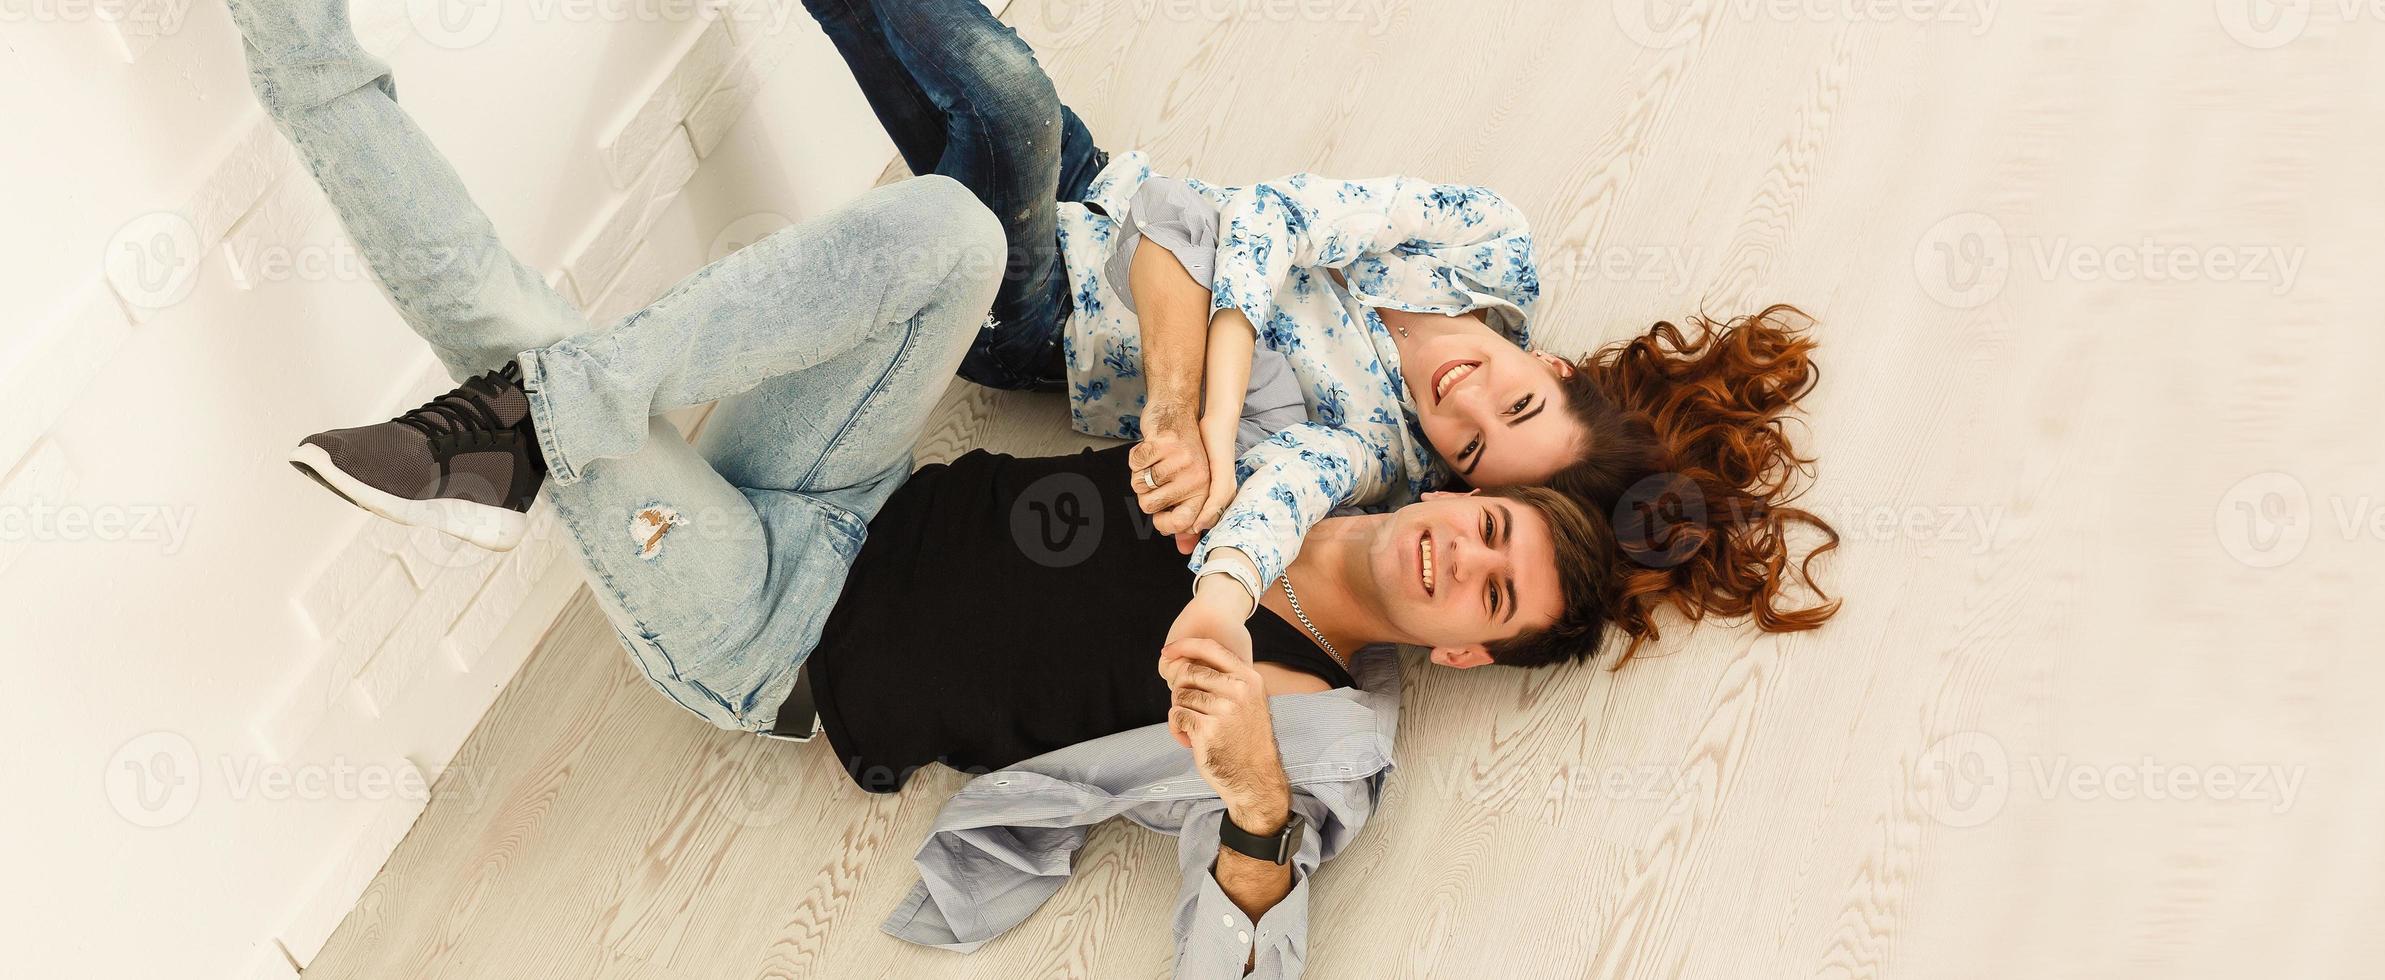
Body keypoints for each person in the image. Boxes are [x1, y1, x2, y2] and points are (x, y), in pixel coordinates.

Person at [225, 2, 1617, 974]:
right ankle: (541, 421)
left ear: (1457, 647)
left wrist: (1251, 805)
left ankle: (306, 66)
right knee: (952, 228)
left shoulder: (1318, 727)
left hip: (773, 633)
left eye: (1490, 598)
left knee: (511, 327)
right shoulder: (1299, 460)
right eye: (1488, 525)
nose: (1462, 555)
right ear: (1448, 493)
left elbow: (1238, 958)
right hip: (854, 485)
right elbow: (1189, 240)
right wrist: (1185, 405)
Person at [804, 0, 1843, 669]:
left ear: (1459, 481)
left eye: (1472, 446)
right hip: (1105, 188)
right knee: (919, 50)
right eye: (1516, 397)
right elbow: (1270, 215)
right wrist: (1212, 408)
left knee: (1001, 99)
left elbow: (1264, 510)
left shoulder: (1365, 458)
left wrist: (1216, 565)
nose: (1464, 401)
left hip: (1044, 318)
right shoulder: (1489, 247)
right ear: (1556, 366)